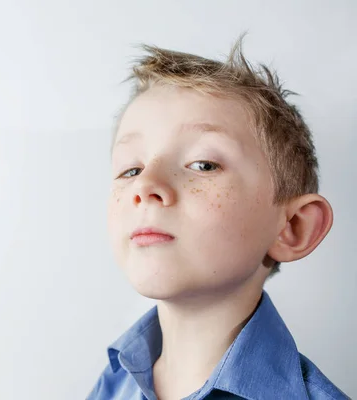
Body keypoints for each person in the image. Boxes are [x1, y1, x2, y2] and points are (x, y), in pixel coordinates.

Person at [87, 36, 350, 400]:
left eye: (203, 165)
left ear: (292, 228)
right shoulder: (113, 384)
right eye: (131, 169)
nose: (145, 185)